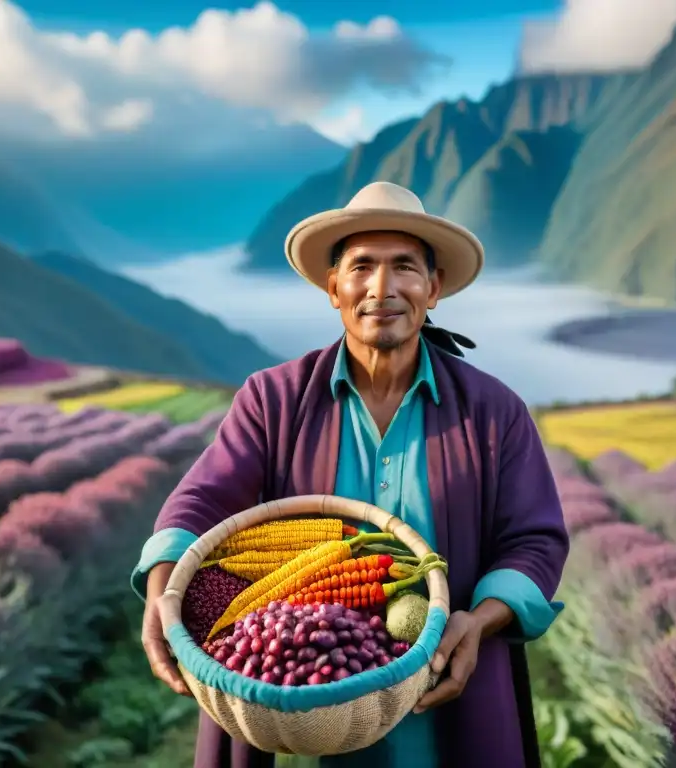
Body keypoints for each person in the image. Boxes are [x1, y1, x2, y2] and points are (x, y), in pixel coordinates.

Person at [132, 181, 570, 768]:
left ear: (433, 289)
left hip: (441, 688)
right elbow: (203, 501)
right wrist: (162, 590)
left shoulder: (494, 412)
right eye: (361, 266)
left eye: (405, 268)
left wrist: (480, 622)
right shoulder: (273, 400)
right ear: (333, 287)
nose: (382, 288)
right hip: (291, 683)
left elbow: (533, 540)